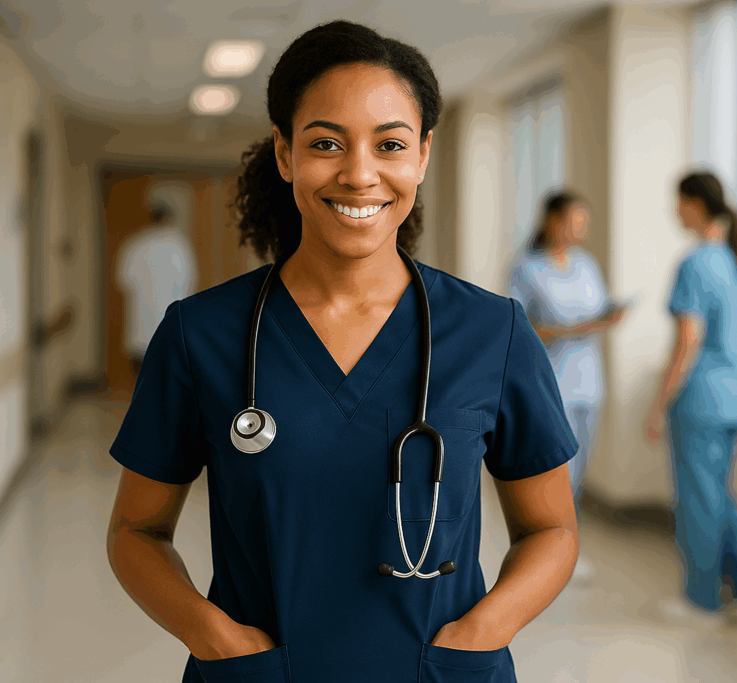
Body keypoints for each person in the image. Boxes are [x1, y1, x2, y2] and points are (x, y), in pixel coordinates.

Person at [106, 20, 580, 683]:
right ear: (284, 153)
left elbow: (552, 529)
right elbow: (135, 530)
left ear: (422, 154)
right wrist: (211, 634)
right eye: (326, 143)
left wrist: (483, 631)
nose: (360, 174)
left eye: (389, 143)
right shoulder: (201, 335)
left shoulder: (491, 331)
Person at [644, 171, 737, 627]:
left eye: (678, 203)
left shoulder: (695, 264)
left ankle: (702, 601)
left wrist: (659, 403)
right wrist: (736, 380)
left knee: (698, 500)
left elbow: (688, 340)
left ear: (696, 204)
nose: (674, 212)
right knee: (719, 495)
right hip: (736, 397)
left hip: (700, 400)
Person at [509, 191, 624, 584]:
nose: (581, 229)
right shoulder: (527, 268)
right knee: (558, 475)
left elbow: (601, 311)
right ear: (552, 221)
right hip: (552, 383)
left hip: (589, 382)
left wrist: (605, 320)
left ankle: (566, 550)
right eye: (575, 220)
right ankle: (551, 553)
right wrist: (568, 331)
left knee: (579, 474)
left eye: (584, 221)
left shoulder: (586, 265)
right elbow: (517, 328)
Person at [113, 200, 197, 379]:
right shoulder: (179, 246)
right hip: (170, 322)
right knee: (167, 375)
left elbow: (122, 281)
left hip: (141, 323)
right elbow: (189, 282)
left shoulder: (135, 245)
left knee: (141, 376)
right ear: (169, 219)